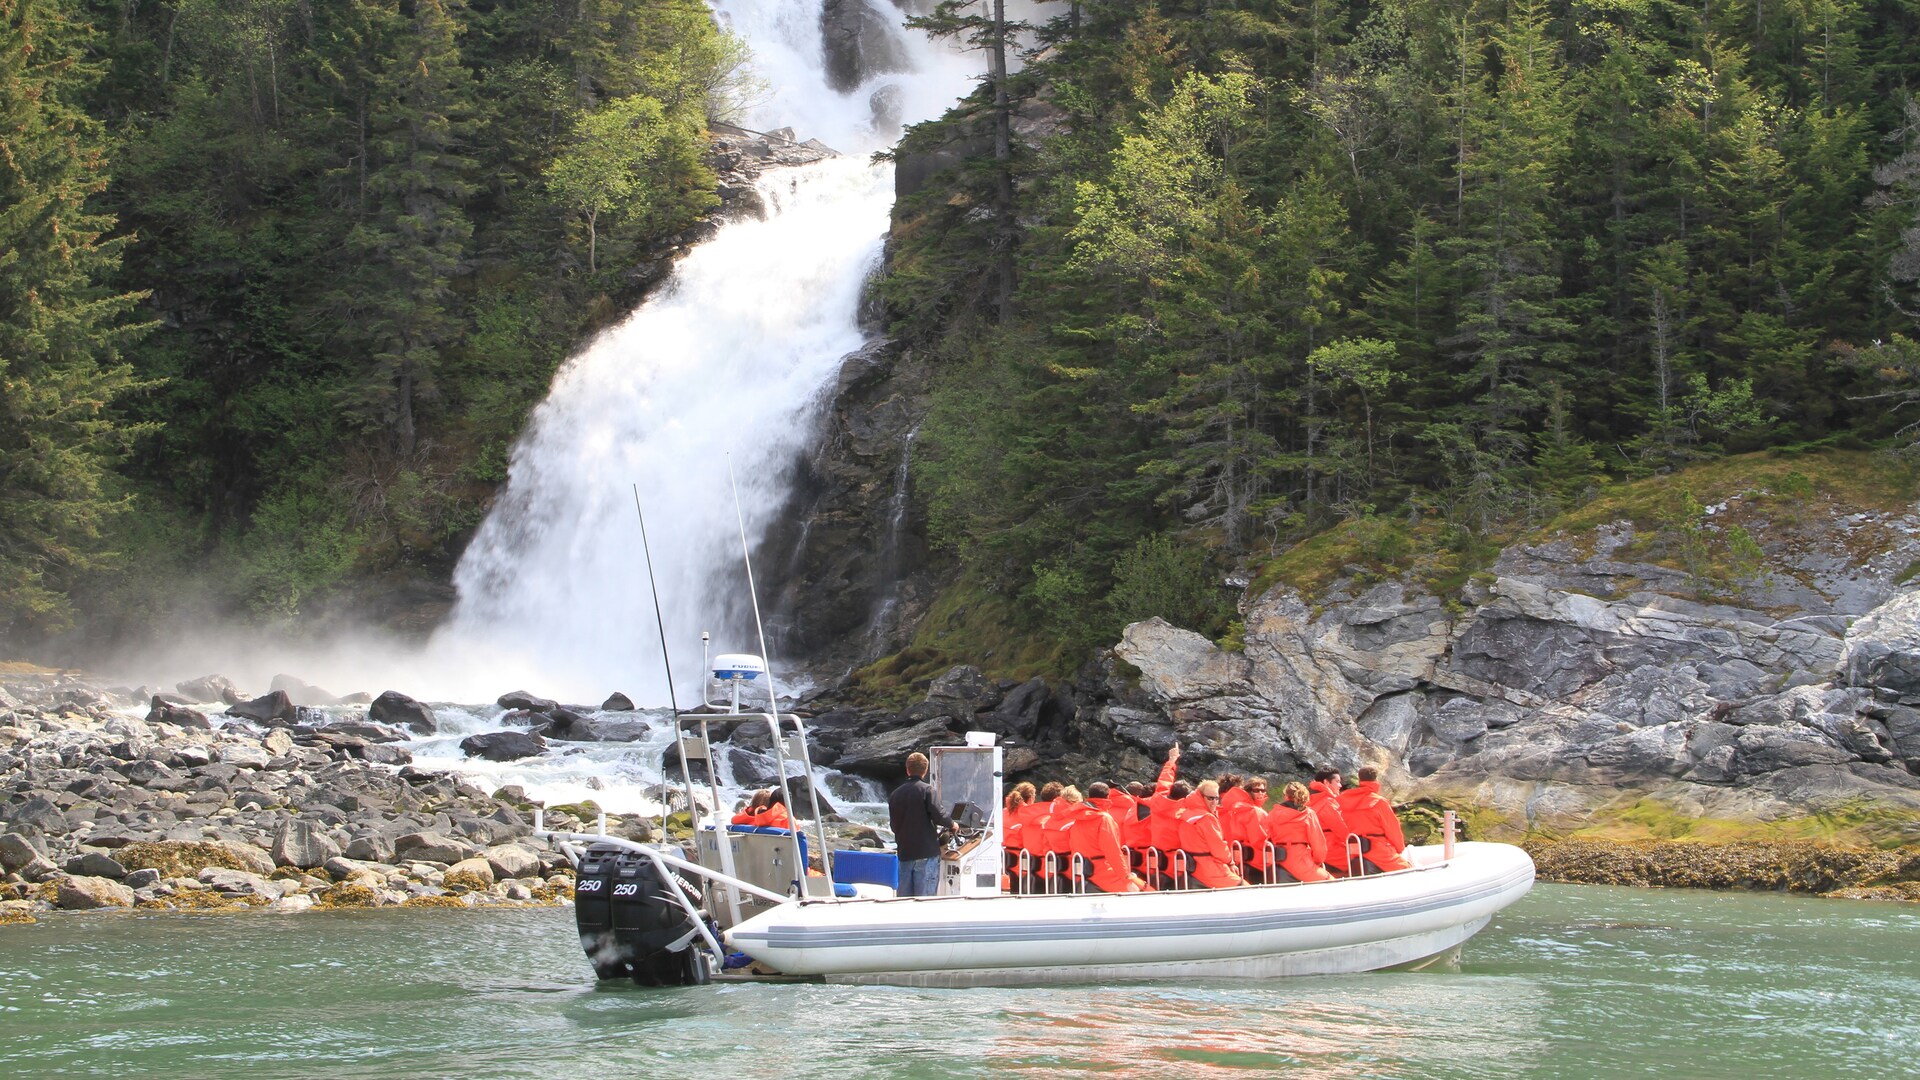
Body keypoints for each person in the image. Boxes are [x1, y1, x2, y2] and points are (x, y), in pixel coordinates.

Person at [888, 751, 955, 896]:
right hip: (926, 852)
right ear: (925, 771)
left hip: (904, 852)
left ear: (907, 769)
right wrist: (953, 825)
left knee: (904, 900)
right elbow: (939, 816)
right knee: (925, 900)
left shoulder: (895, 794)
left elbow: (893, 826)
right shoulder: (927, 790)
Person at [1059, 786, 1140, 893]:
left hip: (1083, 874)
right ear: (1107, 797)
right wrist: (1127, 879)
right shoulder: (1104, 819)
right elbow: (1113, 852)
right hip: (1104, 875)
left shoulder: (1078, 818)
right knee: (1144, 891)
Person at [1337, 766, 1412, 874]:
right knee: (1407, 871)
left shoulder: (1342, 800)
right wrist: (1399, 848)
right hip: (1378, 850)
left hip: (1354, 850)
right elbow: (1392, 829)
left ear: (1359, 780)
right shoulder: (1379, 802)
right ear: (1376, 780)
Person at [1174, 780, 1244, 889]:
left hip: (1191, 868)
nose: (1214, 802)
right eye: (1210, 798)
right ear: (1201, 797)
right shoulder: (1207, 818)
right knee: (1246, 889)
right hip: (1210, 870)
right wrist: (1230, 862)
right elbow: (1218, 847)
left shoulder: (1185, 813)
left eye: (1217, 798)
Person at [1263, 782, 1332, 883]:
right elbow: (1319, 845)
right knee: (1331, 882)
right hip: (1301, 861)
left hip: (1278, 860)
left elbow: (1269, 837)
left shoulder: (1273, 813)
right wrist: (1317, 861)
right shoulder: (1308, 814)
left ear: (1286, 796)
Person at [1220, 777, 1271, 882]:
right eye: (1256, 790)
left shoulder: (1233, 809)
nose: (1260, 793)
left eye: (1263, 790)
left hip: (1239, 861)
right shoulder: (1253, 811)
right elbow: (1259, 839)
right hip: (1258, 862)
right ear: (1247, 792)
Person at [1308, 767, 1353, 874]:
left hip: (1313, 851)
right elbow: (1343, 832)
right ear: (1326, 782)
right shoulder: (1328, 803)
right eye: (1337, 782)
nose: (1340, 786)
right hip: (1332, 851)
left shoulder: (1309, 801)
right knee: (1364, 858)